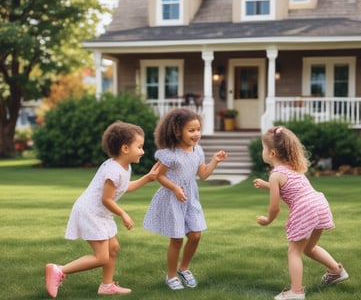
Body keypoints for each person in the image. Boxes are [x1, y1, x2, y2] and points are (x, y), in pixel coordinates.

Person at [45, 121, 160, 298]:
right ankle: (59, 270)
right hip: (91, 212)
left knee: (113, 248)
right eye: (140, 147)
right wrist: (123, 214)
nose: (143, 152)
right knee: (101, 257)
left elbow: (124, 187)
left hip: (100, 213)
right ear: (125, 148)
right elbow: (106, 199)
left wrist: (148, 178)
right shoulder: (113, 170)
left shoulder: (124, 167)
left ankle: (107, 286)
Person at [253, 126, 349, 300]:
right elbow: (291, 187)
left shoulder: (276, 175)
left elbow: (275, 208)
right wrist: (267, 185)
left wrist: (267, 220)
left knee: (294, 252)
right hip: (319, 204)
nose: (262, 151)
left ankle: (296, 292)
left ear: (272, 153)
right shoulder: (292, 168)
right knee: (309, 248)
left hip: (305, 208)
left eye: (263, 148)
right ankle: (336, 271)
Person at [142, 108, 227, 290]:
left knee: (196, 235)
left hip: (190, 197)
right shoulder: (170, 153)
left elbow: (203, 175)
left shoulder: (198, 150)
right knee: (177, 239)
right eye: (191, 130)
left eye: (198, 130)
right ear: (177, 131)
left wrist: (215, 161)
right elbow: (158, 176)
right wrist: (174, 188)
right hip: (173, 198)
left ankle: (184, 268)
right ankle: (171, 276)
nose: (196, 134)